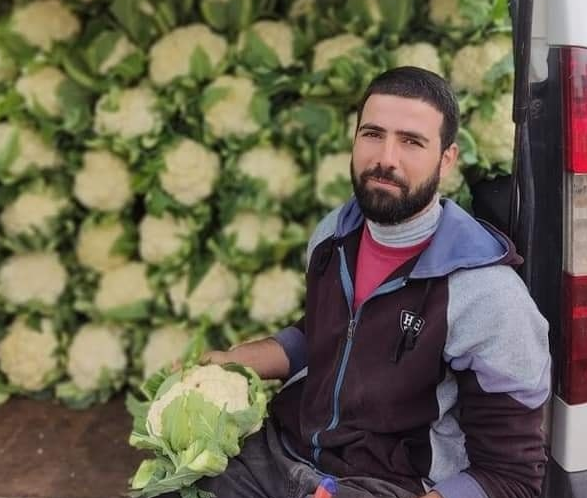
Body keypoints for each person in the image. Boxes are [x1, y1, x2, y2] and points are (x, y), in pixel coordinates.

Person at [198, 66, 551, 498]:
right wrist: (233, 362)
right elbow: (325, 339)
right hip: (283, 452)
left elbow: (511, 476)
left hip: (386, 484)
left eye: (411, 141)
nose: (386, 158)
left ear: (447, 160)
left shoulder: (487, 297)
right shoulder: (331, 235)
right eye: (372, 134)